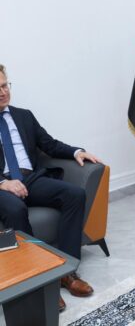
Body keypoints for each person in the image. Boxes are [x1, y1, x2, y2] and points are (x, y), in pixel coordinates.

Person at [0, 64, 101, 312]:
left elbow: (49, 144)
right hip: (2, 185)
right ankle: (38, 280)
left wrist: (76, 151)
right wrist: (4, 183)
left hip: (30, 178)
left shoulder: (23, 116)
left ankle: (66, 272)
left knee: (74, 194)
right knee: (15, 209)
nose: (3, 92)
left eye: (4, 85)